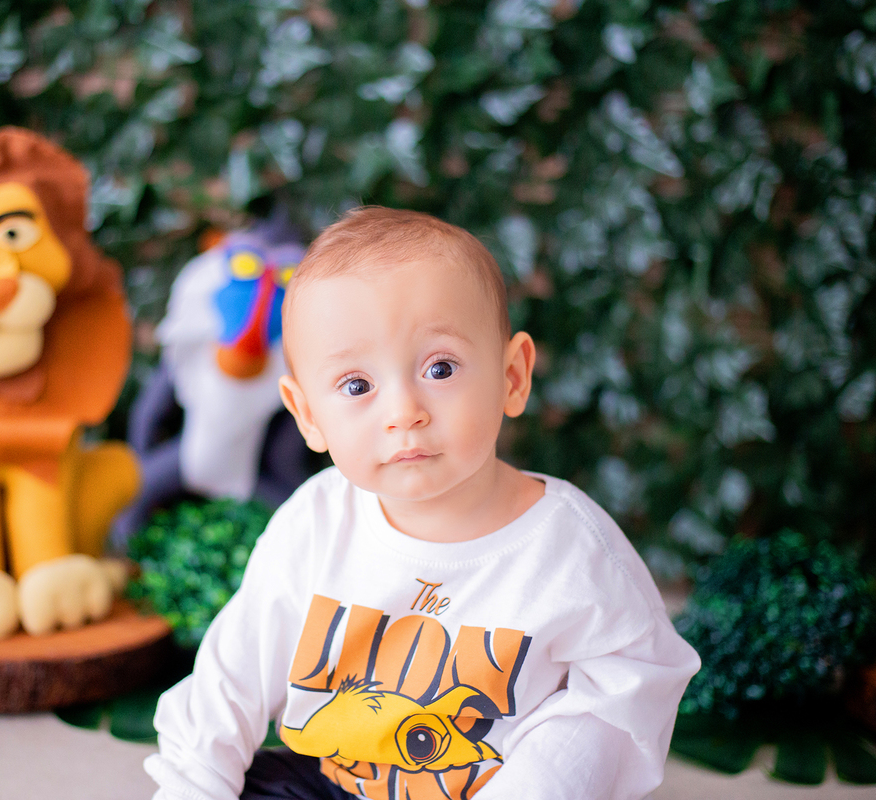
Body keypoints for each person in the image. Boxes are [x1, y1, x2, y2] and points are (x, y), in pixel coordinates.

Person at [144, 207, 700, 800]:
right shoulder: (317, 521)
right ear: (308, 415)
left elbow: (630, 687)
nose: (403, 411)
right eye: (357, 386)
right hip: (337, 784)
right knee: (247, 780)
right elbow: (233, 677)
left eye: (440, 368)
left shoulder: (567, 548)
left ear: (512, 377)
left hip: (497, 785)